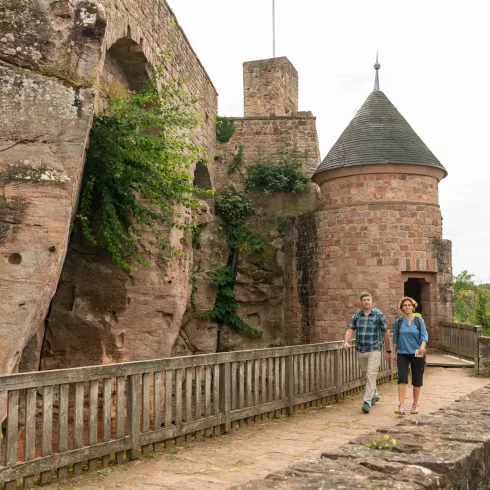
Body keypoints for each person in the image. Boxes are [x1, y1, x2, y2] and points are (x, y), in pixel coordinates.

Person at [344, 292, 391, 413]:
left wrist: (388, 350)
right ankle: (374, 395)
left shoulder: (378, 315)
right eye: (364, 300)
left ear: (371, 301)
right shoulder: (357, 315)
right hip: (361, 350)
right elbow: (350, 329)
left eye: (368, 299)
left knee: (370, 375)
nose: (366, 301)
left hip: (374, 349)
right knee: (366, 374)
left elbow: (385, 332)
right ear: (361, 302)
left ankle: (367, 402)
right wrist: (346, 341)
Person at [392, 296, 428, 415]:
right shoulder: (399, 322)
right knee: (402, 378)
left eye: (409, 305)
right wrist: (393, 352)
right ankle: (401, 406)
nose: (407, 307)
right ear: (401, 308)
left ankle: (415, 405)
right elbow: (396, 338)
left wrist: (422, 346)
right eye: (404, 305)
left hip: (417, 353)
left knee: (417, 379)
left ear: (413, 307)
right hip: (402, 353)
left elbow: (424, 335)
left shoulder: (419, 321)